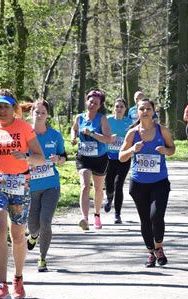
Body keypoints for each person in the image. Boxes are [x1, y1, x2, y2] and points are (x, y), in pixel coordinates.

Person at [0, 89, 45, 299]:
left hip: (20, 184)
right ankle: (1, 284)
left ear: (14, 108)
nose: (2, 111)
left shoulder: (24, 128)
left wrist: (26, 156)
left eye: (5, 106)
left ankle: (18, 279)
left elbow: (40, 157)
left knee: (17, 235)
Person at [119, 98, 176, 267]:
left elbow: (173, 149)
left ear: (153, 111)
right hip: (138, 183)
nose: (145, 111)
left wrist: (166, 150)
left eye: (148, 109)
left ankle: (159, 247)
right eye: (142, 109)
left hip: (159, 182)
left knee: (156, 216)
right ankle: (151, 252)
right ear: (137, 112)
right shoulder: (132, 133)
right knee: (145, 219)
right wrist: (132, 149)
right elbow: (122, 157)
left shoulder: (162, 131)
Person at [25, 99, 67, 273]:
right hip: (31, 186)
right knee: (33, 226)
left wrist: (59, 159)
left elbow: (64, 157)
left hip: (51, 185)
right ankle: (33, 235)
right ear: (32, 113)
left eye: (43, 112)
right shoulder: (25, 135)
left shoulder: (55, 135)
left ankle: (42, 258)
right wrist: (29, 162)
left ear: (47, 115)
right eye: (37, 112)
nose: (40, 115)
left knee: (46, 222)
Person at [71, 90, 112, 230]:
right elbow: (74, 129)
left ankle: (97, 215)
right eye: (90, 101)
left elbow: (108, 139)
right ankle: (85, 218)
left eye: (96, 103)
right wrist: (73, 137)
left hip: (100, 158)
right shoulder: (79, 117)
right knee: (85, 186)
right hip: (83, 158)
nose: (92, 104)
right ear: (86, 101)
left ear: (100, 105)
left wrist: (93, 134)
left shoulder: (102, 119)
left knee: (99, 189)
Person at [104, 98, 132, 224]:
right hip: (109, 157)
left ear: (125, 109)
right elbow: (102, 135)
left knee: (118, 185)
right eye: (117, 106)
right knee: (109, 183)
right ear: (113, 108)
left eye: (121, 106)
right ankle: (109, 198)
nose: (119, 109)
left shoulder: (129, 122)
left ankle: (117, 214)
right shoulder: (107, 120)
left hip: (124, 158)